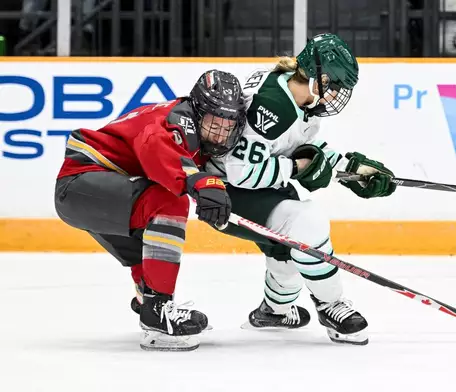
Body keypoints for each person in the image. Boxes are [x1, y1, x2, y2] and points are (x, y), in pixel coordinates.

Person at [205, 33, 397, 345]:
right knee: (306, 222)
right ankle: (331, 303)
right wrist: (295, 169)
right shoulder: (273, 107)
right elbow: (241, 172)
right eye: (334, 85)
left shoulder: (294, 94)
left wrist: (353, 170)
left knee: (287, 249)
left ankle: (276, 310)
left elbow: (300, 146)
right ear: (318, 78)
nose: (337, 94)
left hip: (252, 187)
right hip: (224, 192)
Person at [54, 70, 246, 351]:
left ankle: (148, 297)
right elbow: (154, 146)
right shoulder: (176, 120)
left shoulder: (189, 127)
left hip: (98, 191)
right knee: (168, 201)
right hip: (81, 183)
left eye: (226, 126)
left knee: (148, 239)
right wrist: (197, 181)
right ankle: (157, 311)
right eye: (213, 123)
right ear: (197, 110)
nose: (219, 133)